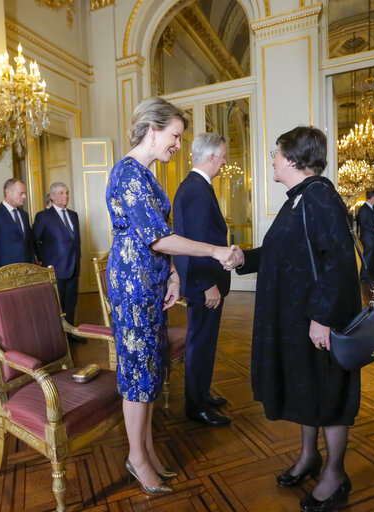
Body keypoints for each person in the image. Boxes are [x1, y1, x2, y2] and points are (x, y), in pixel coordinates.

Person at [106, 97, 238, 495]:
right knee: (137, 376)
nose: (179, 145)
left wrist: (174, 278)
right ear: (153, 130)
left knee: (150, 370)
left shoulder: (146, 175)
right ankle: (137, 457)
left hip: (150, 286)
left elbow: (158, 242)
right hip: (131, 289)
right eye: (176, 135)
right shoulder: (128, 174)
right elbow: (159, 236)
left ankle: (144, 449)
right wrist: (215, 251)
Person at [235, 126, 360, 512]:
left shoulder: (320, 197)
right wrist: (245, 258)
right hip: (297, 320)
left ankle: (336, 474)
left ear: (293, 159)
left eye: (276, 153)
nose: (271, 159)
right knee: (308, 389)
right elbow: (280, 253)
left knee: (330, 395)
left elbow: (338, 264)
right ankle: (310, 457)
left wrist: (321, 318)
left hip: (318, 321)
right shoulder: (298, 199)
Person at [172, 132, 231, 427]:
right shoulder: (196, 189)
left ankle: (202, 395)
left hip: (203, 280)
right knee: (199, 343)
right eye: (222, 156)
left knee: (205, 342)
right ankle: (196, 406)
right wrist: (208, 284)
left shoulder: (196, 186)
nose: (224, 162)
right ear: (210, 157)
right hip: (203, 283)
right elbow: (195, 243)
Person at [33, 182, 81, 329]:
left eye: (66, 192)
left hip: (74, 267)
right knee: (56, 305)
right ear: (52, 196)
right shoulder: (44, 216)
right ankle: (57, 335)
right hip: (55, 268)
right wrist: (44, 259)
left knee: (71, 303)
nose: (65, 196)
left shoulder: (73, 215)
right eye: (61, 193)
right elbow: (34, 240)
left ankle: (71, 332)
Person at [0, 179, 33, 272]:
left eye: (24, 193)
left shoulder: (24, 215)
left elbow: (29, 244)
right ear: (8, 192)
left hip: (26, 271)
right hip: (5, 273)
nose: (24, 196)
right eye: (21, 193)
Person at [356, 190, 374, 281]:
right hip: (369, 237)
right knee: (367, 257)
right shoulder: (364, 208)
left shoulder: (372, 208)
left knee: (372, 256)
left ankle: (369, 272)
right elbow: (363, 223)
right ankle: (363, 276)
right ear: (372, 198)